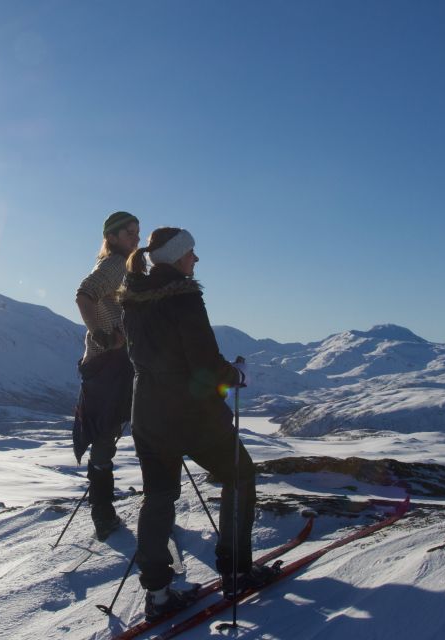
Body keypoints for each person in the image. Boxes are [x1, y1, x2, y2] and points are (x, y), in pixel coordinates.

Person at [118, 227, 274, 621]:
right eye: (191, 253)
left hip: (148, 415)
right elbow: (203, 364)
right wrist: (236, 375)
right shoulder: (184, 297)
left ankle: (158, 593)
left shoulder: (133, 299)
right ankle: (236, 571)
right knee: (240, 476)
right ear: (177, 256)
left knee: (159, 496)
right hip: (192, 415)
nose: (196, 260)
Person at [72, 210, 140, 541]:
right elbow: (84, 294)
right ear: (111, 238)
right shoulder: (114, 264)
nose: (136, 239)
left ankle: (103, 511)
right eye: (129, 233)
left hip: (108, 363)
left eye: (137, 233)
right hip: (109, 363)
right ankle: (103, 514)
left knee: (105, 434)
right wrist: (100, 333)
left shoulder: (124, 264)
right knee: (108, 434)